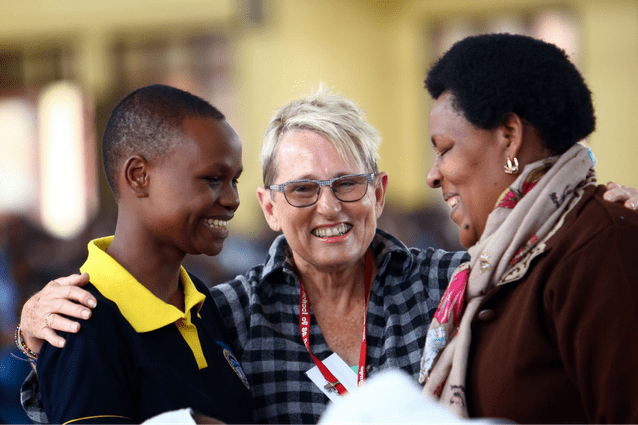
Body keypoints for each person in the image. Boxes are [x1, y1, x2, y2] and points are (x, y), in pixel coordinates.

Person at [15, 86, 638, 424]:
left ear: (381, 192)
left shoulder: (458, 287)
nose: (329, 208)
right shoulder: (228, 313)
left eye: (348, 184)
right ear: (270, 205)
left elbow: (557, 276)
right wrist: (34, 328)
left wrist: (596, 210)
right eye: (302, 190)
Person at [418, 33, 638, 423]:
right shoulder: (496, 269)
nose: (433, 176)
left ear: (509, 136)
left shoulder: (602, 247)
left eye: (444, 148)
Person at [16, 84, 252, 424]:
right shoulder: (82, 319)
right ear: (138, 176)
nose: (232, 199)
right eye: (213, 179)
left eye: (235, 181)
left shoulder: (199, 300)